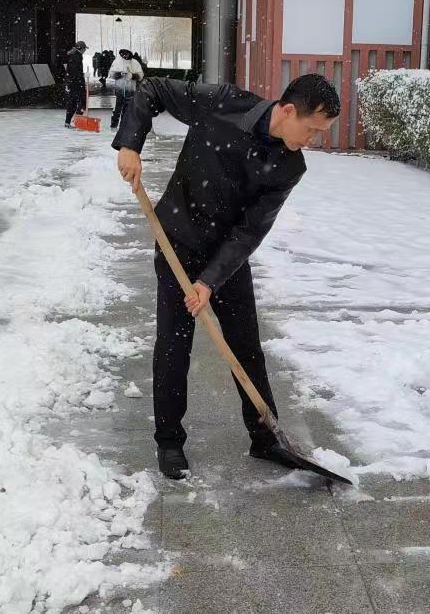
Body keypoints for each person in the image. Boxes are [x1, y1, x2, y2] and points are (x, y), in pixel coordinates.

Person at [113, 74, 340, 479]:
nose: (313, 140)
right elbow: (152, 89)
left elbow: (251, 230)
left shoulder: (289, 166)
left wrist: (209, 281)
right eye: (312, 130)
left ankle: (265, 438)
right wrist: (131, 144)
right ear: (288, 110)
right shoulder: (222, 103)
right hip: (177, 241)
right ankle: (169, 441)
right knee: (174, 345)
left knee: (246, 345)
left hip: (226, 258)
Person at [109, 48, 144, 130]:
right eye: (123, 53)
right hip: (119, 89)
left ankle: (123, 126)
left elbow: (141, 75)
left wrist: (132, 76)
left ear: (129, 53)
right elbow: (111, 74)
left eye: (127, 53)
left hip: (130, 90)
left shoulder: (135, 63)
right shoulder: (117, 61)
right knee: (117, 108)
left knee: (127, 109)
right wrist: (120, 74)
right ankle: (113, 125)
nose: (125, 55)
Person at [64, 40, 87, 128]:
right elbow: (74, 71)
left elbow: (71, 70)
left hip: (74, 83)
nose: (85, 50)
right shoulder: (76, 56)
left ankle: (69, 122)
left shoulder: (74, 55)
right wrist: (80, 77)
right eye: (84, 48)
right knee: (80, 102)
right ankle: (76, 122)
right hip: (76, 83)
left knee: (73, 102)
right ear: (81, 48)